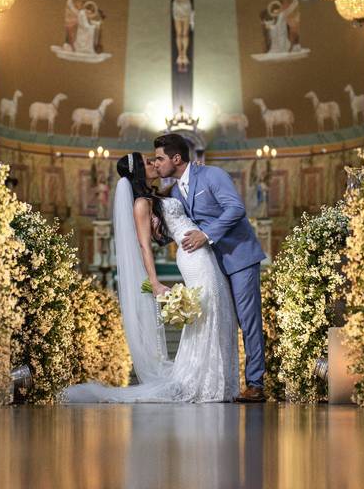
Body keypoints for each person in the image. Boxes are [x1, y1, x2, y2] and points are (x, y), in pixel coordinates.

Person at [63, 151, 240, 403]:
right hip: (193, 255)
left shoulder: (155, 197)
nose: (155, 164)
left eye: (155, 159)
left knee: (216, 309)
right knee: (207, 312)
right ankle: (203, 382)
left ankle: (214, 381)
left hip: (201, 250)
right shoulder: (140, 204)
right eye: (148, 162)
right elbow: (145, 245)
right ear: (138, 171)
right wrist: (154, 282)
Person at [154, 134, 268, 403]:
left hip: (239, 256)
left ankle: (256, 383)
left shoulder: (213, 175)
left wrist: (207, 234)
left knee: (247, 320)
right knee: (221, 321)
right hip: (211, 264)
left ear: (176, 158)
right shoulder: (175, 192)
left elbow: (235, 208)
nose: (157, 163)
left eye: (160, 158)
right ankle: (224, 381)